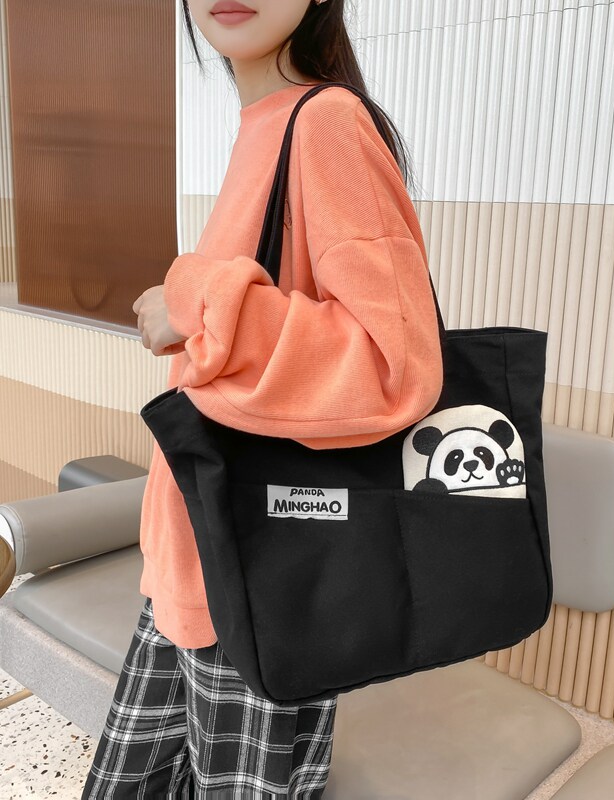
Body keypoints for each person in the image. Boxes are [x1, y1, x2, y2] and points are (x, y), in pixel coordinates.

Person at [80, 0, 443, 797]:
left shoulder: (328, 123)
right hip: (197, 560)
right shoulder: (264, 129)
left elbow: (397, 366)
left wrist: (198, 302)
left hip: (261, 582)